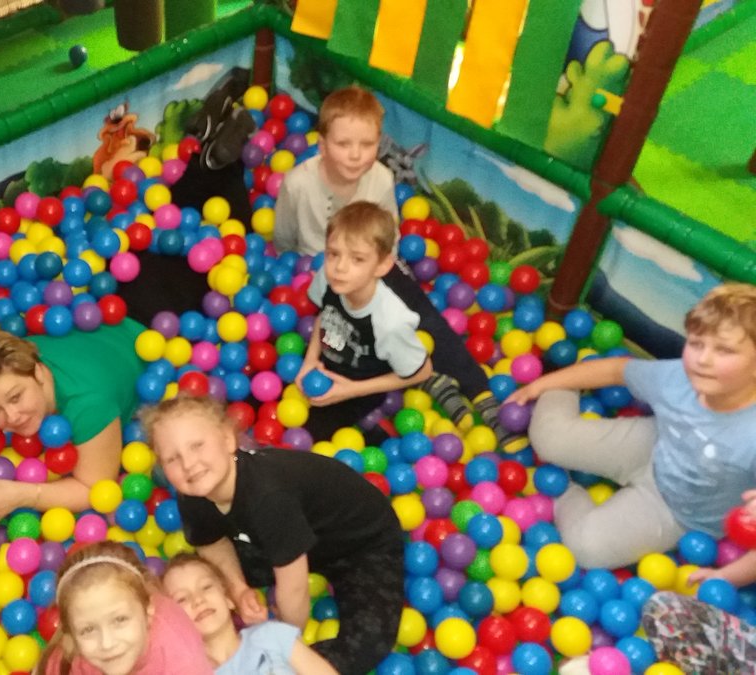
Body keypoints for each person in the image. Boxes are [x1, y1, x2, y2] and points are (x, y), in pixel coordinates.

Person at [272, 85, 521, 449]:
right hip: (320, 268)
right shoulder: (298, 183)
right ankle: (423, 377)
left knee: (418, 311)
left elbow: (388, 236)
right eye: (343, 144)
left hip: (374, 263)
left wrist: (377, 271)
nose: (356, 155)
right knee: (344, 334)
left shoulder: (381, 179)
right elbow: (284, 238)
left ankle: (478, 391)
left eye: (367, 144)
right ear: (322, 145)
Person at [144, 395, 404, 674]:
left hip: (360, 546)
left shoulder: (268, 497)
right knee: (204, 579)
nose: (188, 464)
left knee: (369, 641)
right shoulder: (194, 491)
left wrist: (284, 641)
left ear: (228, 440)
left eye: (197, 445)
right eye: (172, 458)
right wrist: (238, 589)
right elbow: (212, 543)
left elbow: (295, 588)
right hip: (288, 539)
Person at [506, 283, 756, 569]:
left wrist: (728, 574)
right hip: (652, 446)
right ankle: (559, 380)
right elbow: (615, 371)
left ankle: (563, 490)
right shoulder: (677, 379)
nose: (703, 360)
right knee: (549, 438)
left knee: (587, 549)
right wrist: (541, 384)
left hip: (677, 512)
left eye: (724, 350)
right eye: (696, 343)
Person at [0, 322, 145, 527]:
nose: (12, 417)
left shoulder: (88, 405)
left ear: (38, 372)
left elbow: (93, 490)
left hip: (143, 335)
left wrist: (24, 495)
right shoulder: (16, 358)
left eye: (15, 397)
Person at [294, 201, 434, 442]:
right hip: (328, 363)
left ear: (382, 265)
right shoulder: (328, 279)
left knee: (307, 436)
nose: (340, 267)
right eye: (333, 254)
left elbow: (423, 371)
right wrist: (310, 361)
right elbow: (325, 315)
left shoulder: (389, 322)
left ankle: (374, 424)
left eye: (357, 259)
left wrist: (351, 390)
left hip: (362, 385)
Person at [39, 541, 215, 675]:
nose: (107, 643)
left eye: (120, 620)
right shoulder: (68, 660)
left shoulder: (183, 661)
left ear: (148, 611)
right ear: (70, 634)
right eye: (88, 630)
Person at [161, 552, 338, 675]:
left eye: (206, 587)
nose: (198, 599)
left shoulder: (270, 635)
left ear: (228, 598)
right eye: (182, 599)